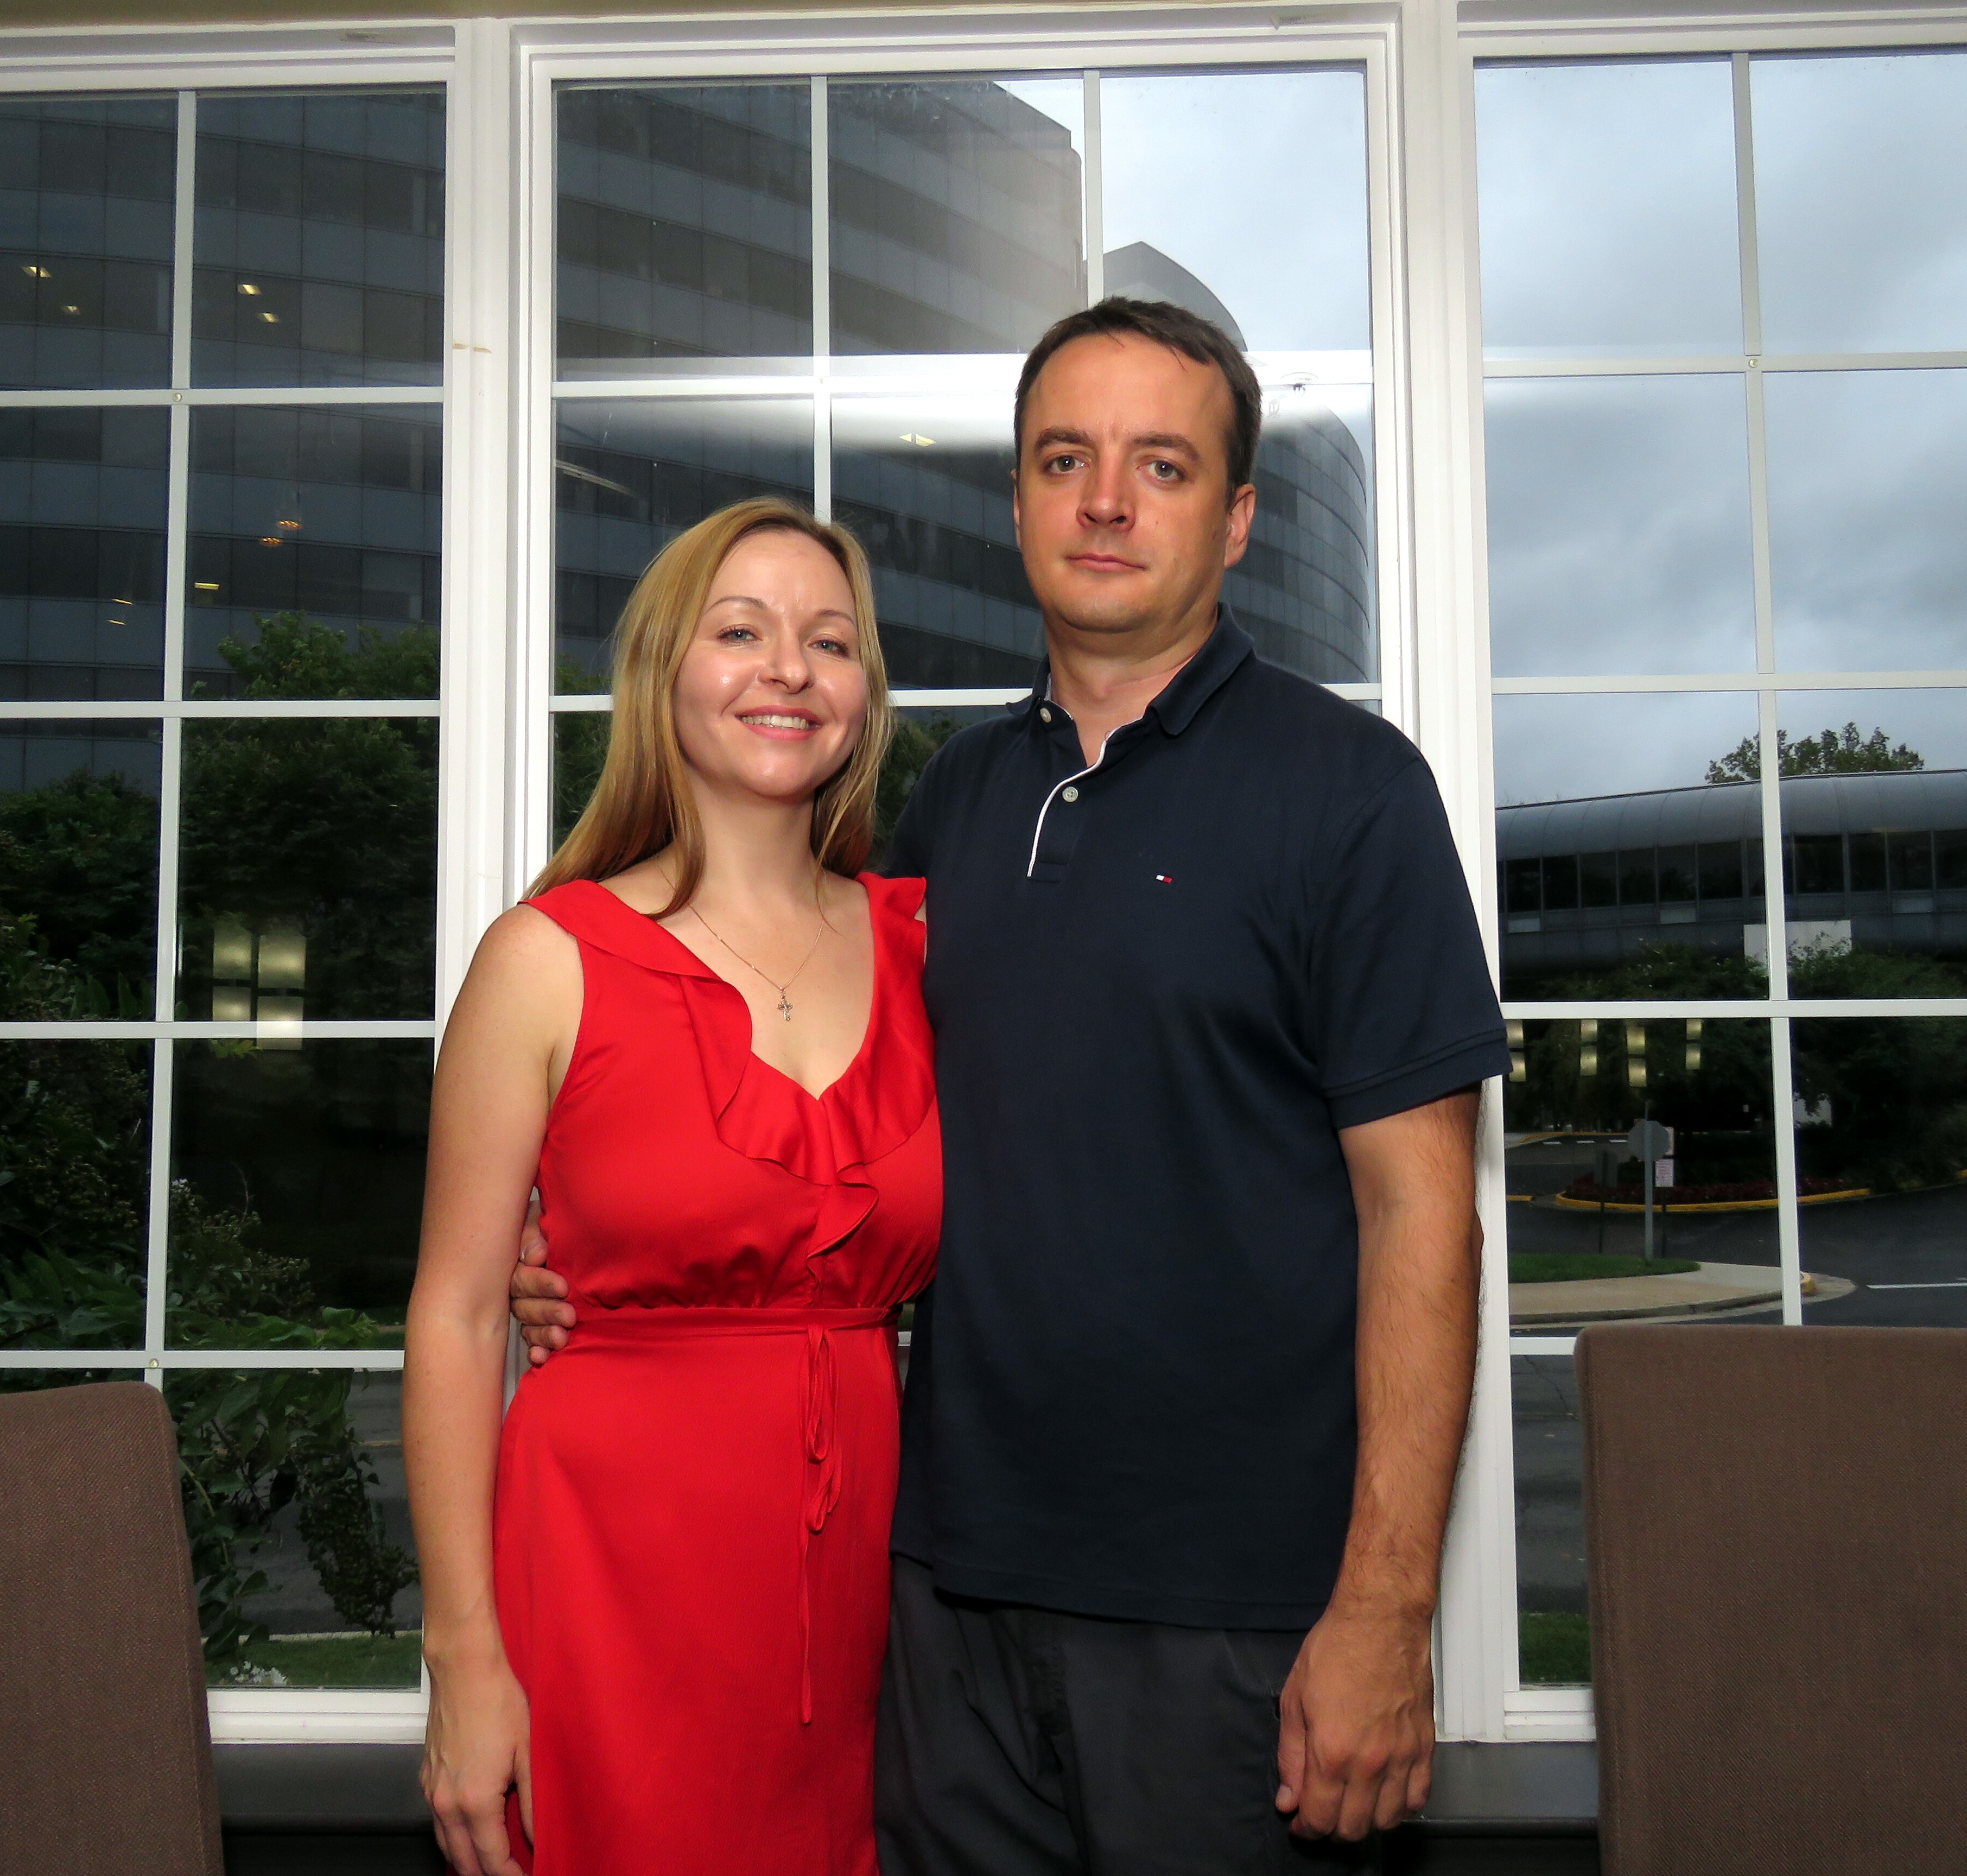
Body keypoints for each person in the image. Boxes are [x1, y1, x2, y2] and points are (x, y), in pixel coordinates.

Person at [513, 299, 1507, 1872]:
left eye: (1162, 465)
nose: (1106, 500)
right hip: (942, 1604)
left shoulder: (1352, 792)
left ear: (1237, 519)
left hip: (1234, 1623)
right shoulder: (953, 806)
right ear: (1021, 501)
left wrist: (1385, 1612)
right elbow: (818, 1123)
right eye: (1065, 460)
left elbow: (1425, 1219)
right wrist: (586, 1251)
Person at [405, 497, 942, 1876]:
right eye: (741, 632)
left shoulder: (930, 948)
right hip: (606, 1573)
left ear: (864, 697)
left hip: (865, 1591)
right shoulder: (545, 959)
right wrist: (464, 1662)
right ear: (664, 671)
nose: (790, 670)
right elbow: (457, 1318)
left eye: (832, 642)